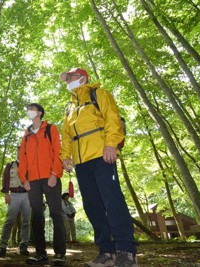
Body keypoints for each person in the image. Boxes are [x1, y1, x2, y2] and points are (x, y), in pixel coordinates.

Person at [60, 68, 137, 267]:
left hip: (102, 154)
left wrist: (111, 144)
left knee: (112, 201)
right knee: (92, 205)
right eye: (66, 79)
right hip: (81, 162)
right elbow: (67, 136)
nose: (67, 81)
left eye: (71, 77)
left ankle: (126, 251)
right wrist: (65, 157)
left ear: (83, 78)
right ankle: (106, 252)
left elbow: (112, 118)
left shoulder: (99, 94)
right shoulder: (69, 108)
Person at [18, 103, 66, 266]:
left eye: (31, 109)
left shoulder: (50, 129)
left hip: (50, 177)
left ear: (39, 112)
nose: (28, 112)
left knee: (56, 214)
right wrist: (24, 179)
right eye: (27, 110)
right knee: (37, 216)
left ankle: (60, 253)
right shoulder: (26, 135)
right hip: (32, 181)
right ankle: (40, 253)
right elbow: (22, 159)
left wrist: (54, 174)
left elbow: (57, 151)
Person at [0, 145, 31, 258]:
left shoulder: (30, 164)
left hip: (27, 195)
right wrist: (6, 194)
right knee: (9, 221)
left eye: (23, 150)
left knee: (26, 221)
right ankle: (2, 246)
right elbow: (5, 179)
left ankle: (24, 245)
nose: (20, 151)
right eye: (19, 150)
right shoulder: (10, 165)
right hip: (14, 195)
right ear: (17, 151)